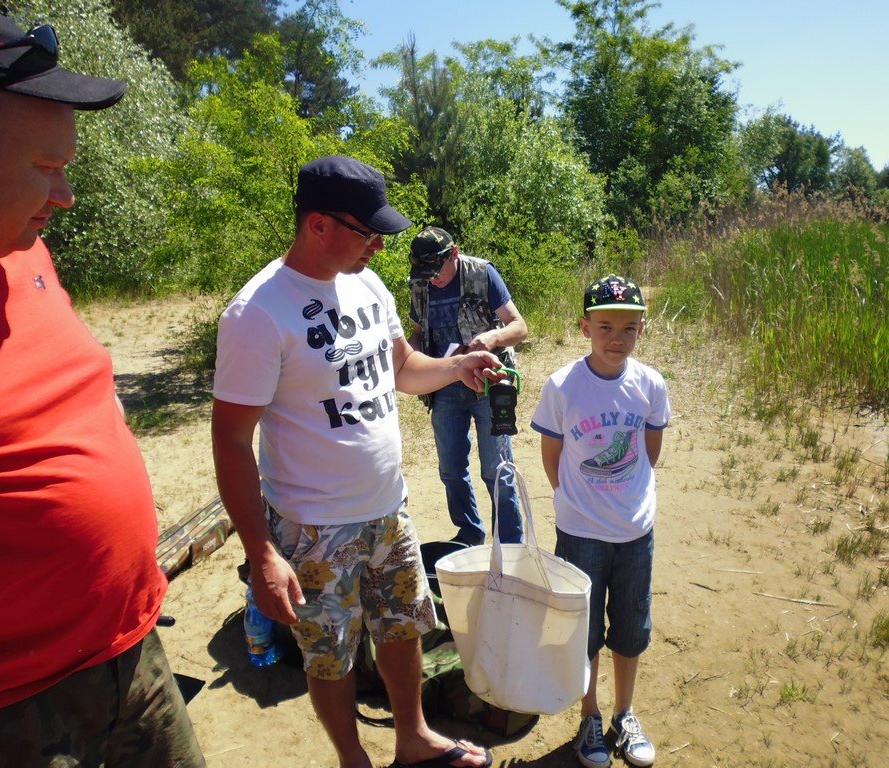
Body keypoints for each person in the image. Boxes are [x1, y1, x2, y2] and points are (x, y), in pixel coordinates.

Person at [212, 156, 496, 768]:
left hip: (388, 508)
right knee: (330, 655)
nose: (379, 246)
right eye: (367, 232)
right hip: (313, 527)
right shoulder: (257, 313)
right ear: (318, 224)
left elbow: (402, 369)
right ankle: (352, 758)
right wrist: (261, 553)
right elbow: (231, 441)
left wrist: (456, 366)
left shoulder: (367, 284)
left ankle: (413, 739)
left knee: (402, 627)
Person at [0, 12, 205, 768]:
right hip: (24, 707)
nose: (66, 194)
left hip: (132, 653)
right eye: (45, 166)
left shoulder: (25, 250)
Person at [530, 275, 671, 768]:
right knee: (585, 631)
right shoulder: (562, 386)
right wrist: (577, 502)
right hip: (581, 532)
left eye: (629, 328)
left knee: (630, 627)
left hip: (635, 531)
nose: (617, 338)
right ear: (584, 327)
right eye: (606, 326)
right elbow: (552, 456)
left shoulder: (650, 384)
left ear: (642, 330)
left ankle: (624, 713)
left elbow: (649, 454)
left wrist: (624, 499)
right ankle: (589, 716)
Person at [407, 227, 528, 545]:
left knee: (496, 469)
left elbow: (519, 326)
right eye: (426, 274)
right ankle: (469, 533)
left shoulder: (482, 273)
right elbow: (418, 332)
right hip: (445, 384)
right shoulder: (420, 282)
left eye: (437, 271)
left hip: (490, 383)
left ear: (454, 254)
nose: (433, 280)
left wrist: (493, 336)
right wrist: (413, 354)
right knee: (450, 468)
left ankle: (510, 544)